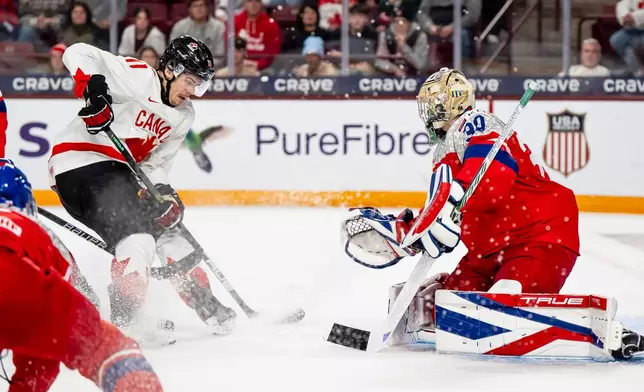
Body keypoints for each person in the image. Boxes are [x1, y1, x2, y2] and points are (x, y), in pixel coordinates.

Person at [342, 67, 644, 360]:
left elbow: (494, 176)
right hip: (487, 252)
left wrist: (456, 199)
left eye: (432, 102)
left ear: (451, 101)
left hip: (537, 237)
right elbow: (443, 203)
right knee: (447, 311)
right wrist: (408, 232)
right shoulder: (444, 149)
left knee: (499, 310)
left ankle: (608, 333)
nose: (427, 111)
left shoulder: (475, 122)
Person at [47, 35, 237, 337]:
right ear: (171, 69)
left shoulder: (184, 115)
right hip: (79, 164)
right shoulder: (137, 76)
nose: (193, 92)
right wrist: (93, 88)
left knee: (168, 232)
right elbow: (77, 52)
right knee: (137, 236)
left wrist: (164, 194)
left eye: (199, 85)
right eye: (190, 81)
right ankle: (126, 320)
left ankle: (206, 304)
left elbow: (154, 165)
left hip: (120, 175)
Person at [0, 158, 164, 391]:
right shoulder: (35, 230)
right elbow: (54, 310)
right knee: (104, 346)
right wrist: (91, 317)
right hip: (17, 289)